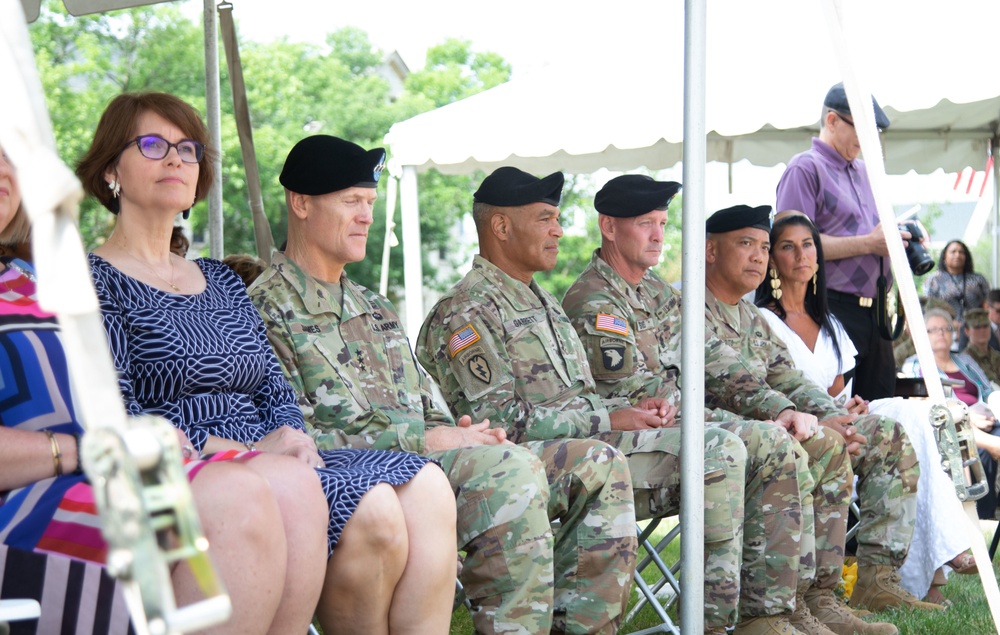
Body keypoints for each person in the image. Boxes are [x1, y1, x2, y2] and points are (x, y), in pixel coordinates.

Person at [75, 93, 457, 635]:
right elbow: (118, 408)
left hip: (276, 455)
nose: (176, 160)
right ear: (112, 169)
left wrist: (295, 437)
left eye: (188, 148)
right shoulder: (92, 281)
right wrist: (249, 449)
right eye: (154, 145)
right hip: (191, 464)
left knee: (427, 488)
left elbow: (273, 388)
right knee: (373, 510)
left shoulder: (223, 281)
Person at [249, 135, 639, 635]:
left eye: (369, 203)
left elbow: (429, 409)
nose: (367, 216)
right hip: (357, 480)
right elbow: (295, 438)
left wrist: (465, 433)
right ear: (300, 204)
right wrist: (434, 439)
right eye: (351, 202)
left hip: (428, 466)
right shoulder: (265, 308)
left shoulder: (373, 306)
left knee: (583, 462)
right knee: (510, 473)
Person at [0, 141, 323, 634]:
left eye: (8, 154)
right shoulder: (92, 278)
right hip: (37, 488)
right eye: (154, 145)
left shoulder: (33, 282)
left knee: (294, 483)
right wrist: (99, 446)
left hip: (104, 465)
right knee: (234, 498)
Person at [416, 166, 752, 634]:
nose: (557, 230)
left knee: (715, 445)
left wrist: (628, 415)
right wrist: (606, 418)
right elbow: (498, 424)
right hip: (519, 463)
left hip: (587, 447)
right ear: (500, 227)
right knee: (627, 458)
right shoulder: (467, 311)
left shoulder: (542, 302)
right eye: (544, 219)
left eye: (557, 218)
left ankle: (726, 621)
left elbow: (584, 400)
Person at [560, 176, 896, 635]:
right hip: (633, 439)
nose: (659, 235)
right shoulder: (595, 299)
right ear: (609, 227)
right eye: (646, 224)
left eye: (662, 223)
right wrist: (757, 421)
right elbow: (649, 398)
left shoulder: (659, 293)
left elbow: (720, 365)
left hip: (685, 429)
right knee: (767, 443)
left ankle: (805, 601)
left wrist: (785, 410)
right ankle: (748, 619)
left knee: (816, 443)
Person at [701, 204, 937, 615]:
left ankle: (876, 580)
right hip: (733, 436)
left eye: (761, 246)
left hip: (787, 427)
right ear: (710, 251)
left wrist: (831, 412)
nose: (758, 256)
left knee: (887, 436)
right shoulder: (694, 308)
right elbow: (738, 385)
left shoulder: (747, 318)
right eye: (747, 245)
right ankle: (808, 599)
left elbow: (786, 378)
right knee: (827, 443)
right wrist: (816, 419)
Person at [755, 210, 973, 605]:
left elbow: (840, 391)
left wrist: (848, 406)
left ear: (819, 256)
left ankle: (920, 573)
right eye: (788, 246)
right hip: (800, 432)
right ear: (772, 258)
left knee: (917, 413)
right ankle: (949, 553)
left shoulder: (830, 323)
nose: (801, 255)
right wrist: (834, 410)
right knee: (898, 424)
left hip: (847, 423)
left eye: (808, 245)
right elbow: (774, 389)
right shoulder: (762, 321)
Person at [775, 82, 904, 401]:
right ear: (832, 121)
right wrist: (867, 244)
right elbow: (790, 249)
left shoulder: (865, 170)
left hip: (877, 311)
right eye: (862, 128)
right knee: (841, 413)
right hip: (830, 306)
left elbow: (874, 232)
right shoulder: (804, 169)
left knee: (881, 408)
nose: (869, 139)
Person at [901, 308, 1000, 523]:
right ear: (922, 334)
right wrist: (968, 414)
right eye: (933, 330)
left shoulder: (965, 360)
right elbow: (925, 404)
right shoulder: (915, 363)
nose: (941, 334)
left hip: (988, 420)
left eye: (945, 328)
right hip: (953, 426)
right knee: (979, 452)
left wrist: (994, 405)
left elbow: (987, 390)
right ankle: (983, 518)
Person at [923, 239, 990, 346]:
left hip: (975, 331)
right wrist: (951, 323)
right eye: (953, 252)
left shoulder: (978, 279)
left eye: (961, 252)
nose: (957, 255)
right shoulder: (934, 280)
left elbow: (988, 305)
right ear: (944, 256)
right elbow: (928, 308)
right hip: (945, 331)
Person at [962, 308, 1000, 384]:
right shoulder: (964, 361)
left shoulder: (996, 356)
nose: (982, 331)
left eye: (985, 326)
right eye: (977, 327)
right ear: (967, 331)